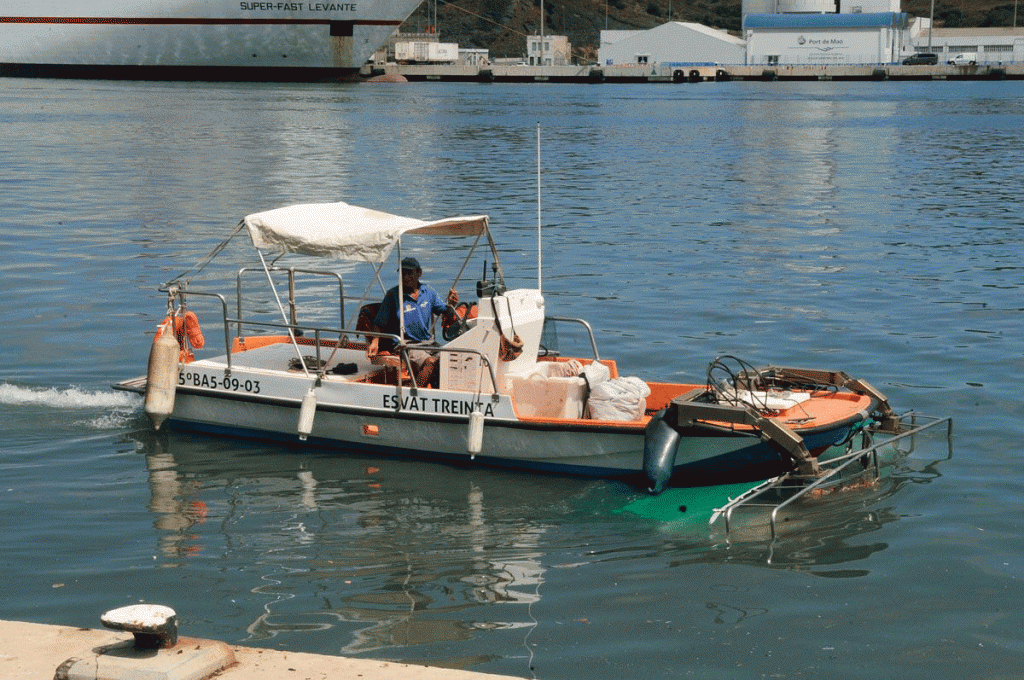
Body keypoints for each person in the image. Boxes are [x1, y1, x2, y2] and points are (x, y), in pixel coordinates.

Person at [365, 257, 459, 386]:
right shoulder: (393, 295)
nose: (405, 276)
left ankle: (439, 389)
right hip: (406, 345)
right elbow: (379, 323)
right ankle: (416, 393)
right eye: (402, 273)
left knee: (452, 359)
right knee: (430, 362)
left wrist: (451, 305)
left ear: (419, 273)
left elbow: (444, 310)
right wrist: (375, 341)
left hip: (428, 342)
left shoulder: (428, 292)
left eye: (409, 273)